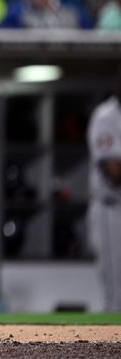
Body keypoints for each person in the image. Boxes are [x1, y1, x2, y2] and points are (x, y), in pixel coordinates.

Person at [87, 70, 121, 312]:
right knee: (116, 291)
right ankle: (112, 347)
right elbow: (114, 170)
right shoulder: (106, 116)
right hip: (112, 209)